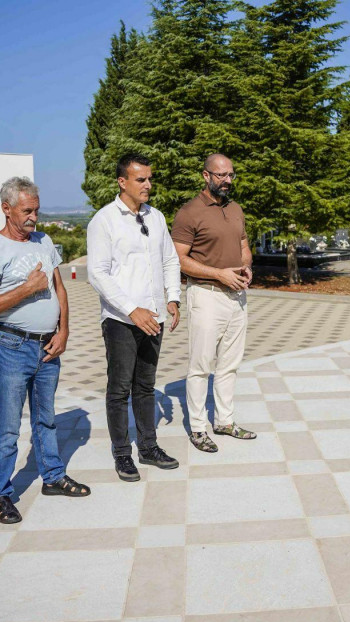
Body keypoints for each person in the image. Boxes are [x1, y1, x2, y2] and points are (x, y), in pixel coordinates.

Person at [0, 177, 90, 524]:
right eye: (27, 210)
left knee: (46, 419)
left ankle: (52, 476)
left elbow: (59, 288)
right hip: (11, 346)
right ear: (6, 209)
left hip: (48, 347)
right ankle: (2, 494)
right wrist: (26, 289)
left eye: (36, 210)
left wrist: (64, 330)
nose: (34, 217)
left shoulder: (43, 241)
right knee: (8, 428)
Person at [87, 154, 181, 481]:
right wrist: (131, 309)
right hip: (120, 320)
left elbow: (169, 260)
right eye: (140, 179)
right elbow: (97, 274)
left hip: (153, 317)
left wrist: (172, 298)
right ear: (122, 182)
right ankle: (122, 454)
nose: (148, 185)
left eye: (149, 178)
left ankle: (148, 446)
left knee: (146, 386)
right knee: (119, 389)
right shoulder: (104, 220)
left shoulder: (156, 217)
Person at [172, 153, 256, 453]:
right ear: (206, 176)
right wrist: (219, 274)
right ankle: (197, 428)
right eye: (221, 175)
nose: (228, 181)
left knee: (230, 364)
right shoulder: (189, 213)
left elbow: (244, 247)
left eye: (231, 175)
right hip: (206, 295)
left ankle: (225, 420)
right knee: (200, 365)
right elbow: (179, 260)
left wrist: (245, 266)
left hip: (237, 296)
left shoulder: (235, 209)